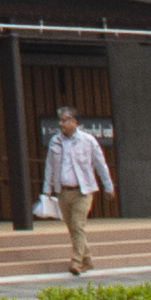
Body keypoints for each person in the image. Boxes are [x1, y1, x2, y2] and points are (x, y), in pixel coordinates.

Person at [41, 109, 115, 277]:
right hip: (63, 192)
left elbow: (100, 164)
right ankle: (87, 259)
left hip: (83, 191)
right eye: (60, 120)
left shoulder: (88, 140)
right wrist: (47, 190)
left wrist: (108, 186)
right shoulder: (55, 141)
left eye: (65, 120)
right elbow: (50, 167)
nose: (61, 124)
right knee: (72, 227)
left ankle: (76, 262)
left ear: (75, 122)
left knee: (78, 225)